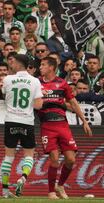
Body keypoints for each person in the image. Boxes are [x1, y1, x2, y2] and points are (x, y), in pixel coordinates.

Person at [38, 56, 92, 199]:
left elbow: (73, 102)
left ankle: (60, 185)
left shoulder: (62, 83)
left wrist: (84, 122)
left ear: (51, 67)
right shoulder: (36, 83)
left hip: (62, 124)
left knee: (71, 159)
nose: (40, 67)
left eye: (43, 65)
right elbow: (34, 103)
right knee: (54, 158)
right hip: (47, 125)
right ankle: (51, 192)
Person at [0, 54, 43, 198]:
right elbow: (38, 105)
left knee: (8, 156)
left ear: (19, 64)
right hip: (27, 121)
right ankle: (23, 177)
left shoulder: (7, 79)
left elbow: (3, 94)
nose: (11, 64)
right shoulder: (35, 81)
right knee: (29, 155)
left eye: (13, 62)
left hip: (11, 120)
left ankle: (5, 190)